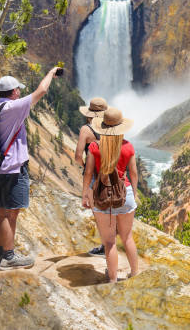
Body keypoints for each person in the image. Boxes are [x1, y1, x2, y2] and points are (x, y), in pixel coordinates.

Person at [0, 67, 59, 270]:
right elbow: (42, 91)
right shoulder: (14, 108)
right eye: (18, 90)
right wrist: (51, 73)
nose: (19, 92)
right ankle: (9, 257)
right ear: (13, 92)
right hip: (12, 169)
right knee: (10, 214)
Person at [82, 107, 138, 283]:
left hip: (102, 194)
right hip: (124, 193)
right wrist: (133, 193)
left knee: (109, 242)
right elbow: (134, 173)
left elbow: (89, 173)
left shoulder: (94, 147)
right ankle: (134, 274)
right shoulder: (128, 147)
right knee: (127, 237)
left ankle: (112, 279)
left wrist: (85, 194)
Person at [75, 97, 108, 256]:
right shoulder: (111, 127)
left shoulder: (86, 130)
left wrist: (85, 165)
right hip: (112, 174)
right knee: (109, 211)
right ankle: (111, 245)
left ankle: (105, 247)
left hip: (94, 175)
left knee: (98, 213)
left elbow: (77, 156)